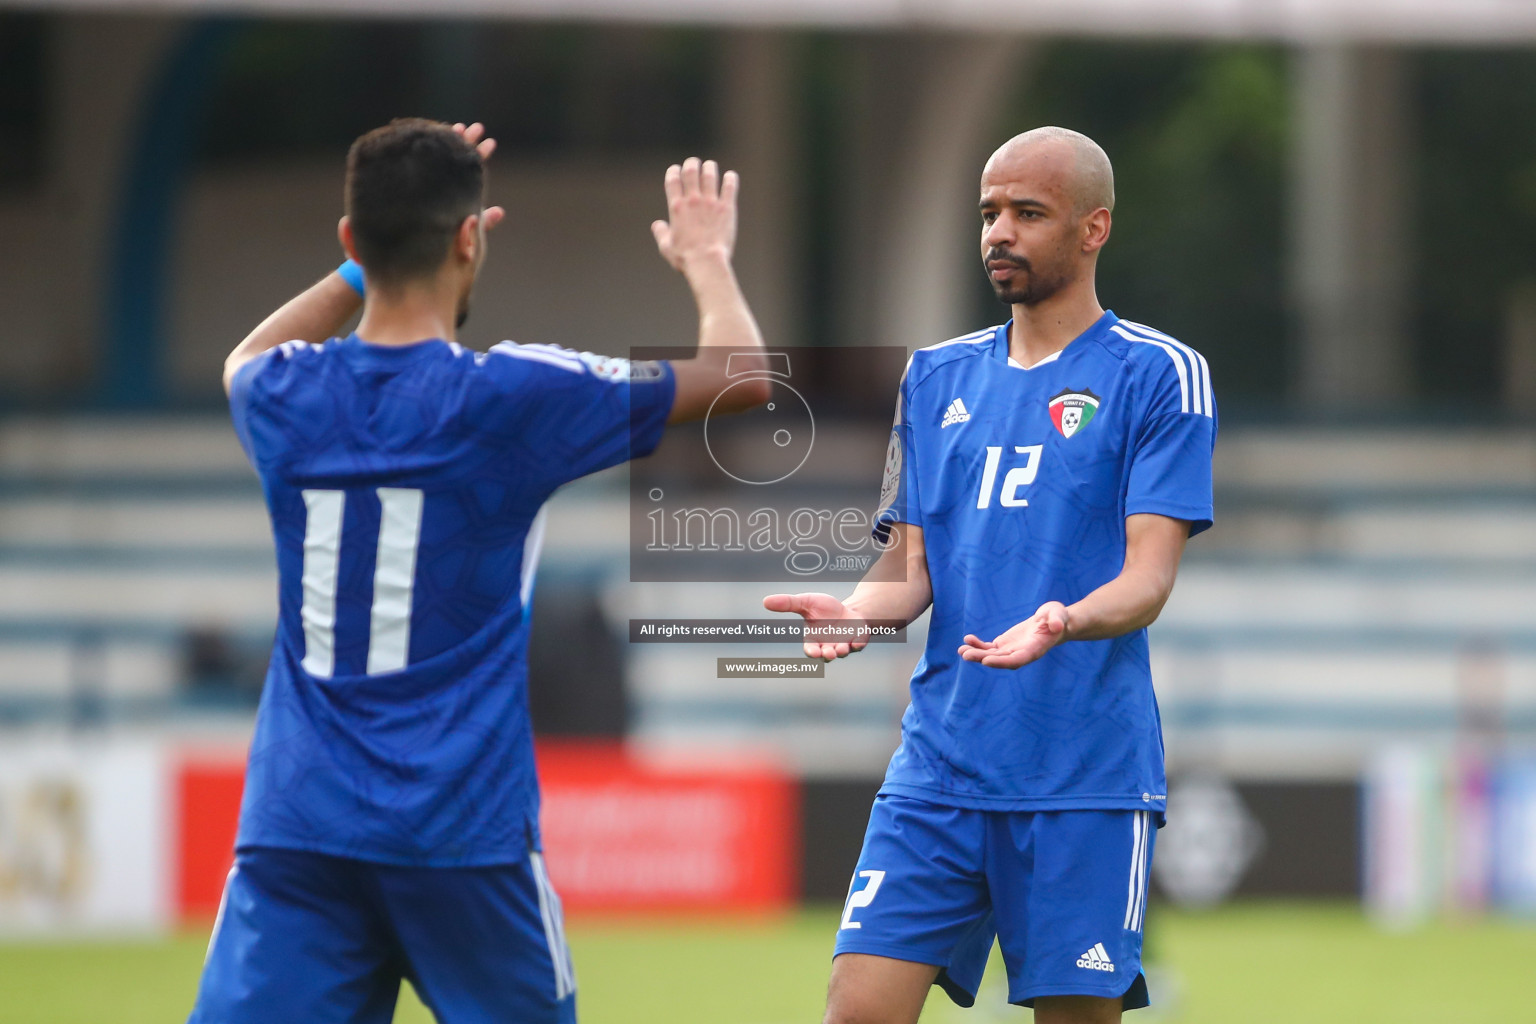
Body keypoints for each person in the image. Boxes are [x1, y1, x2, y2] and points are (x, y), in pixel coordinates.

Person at [188, 119, 768, 1024]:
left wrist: (367, 253)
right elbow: (741, 377)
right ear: (470, 237)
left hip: (301, 826)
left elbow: (243, 359)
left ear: (350, 241)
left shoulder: (284, 394)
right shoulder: (512, 396)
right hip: (460, 830)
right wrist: (707, 258)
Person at [765, 126, 1216, 1024]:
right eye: (988, 213)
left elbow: (1150, 578)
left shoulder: (1162, 375)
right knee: (856, 1008)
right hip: (940, 766)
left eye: (1027, 212)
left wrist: (1061, 620)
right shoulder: (932, 378)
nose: (998, 232)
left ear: (1095, 229)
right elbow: (909, 566)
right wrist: (858, 611)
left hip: (1083, 776)